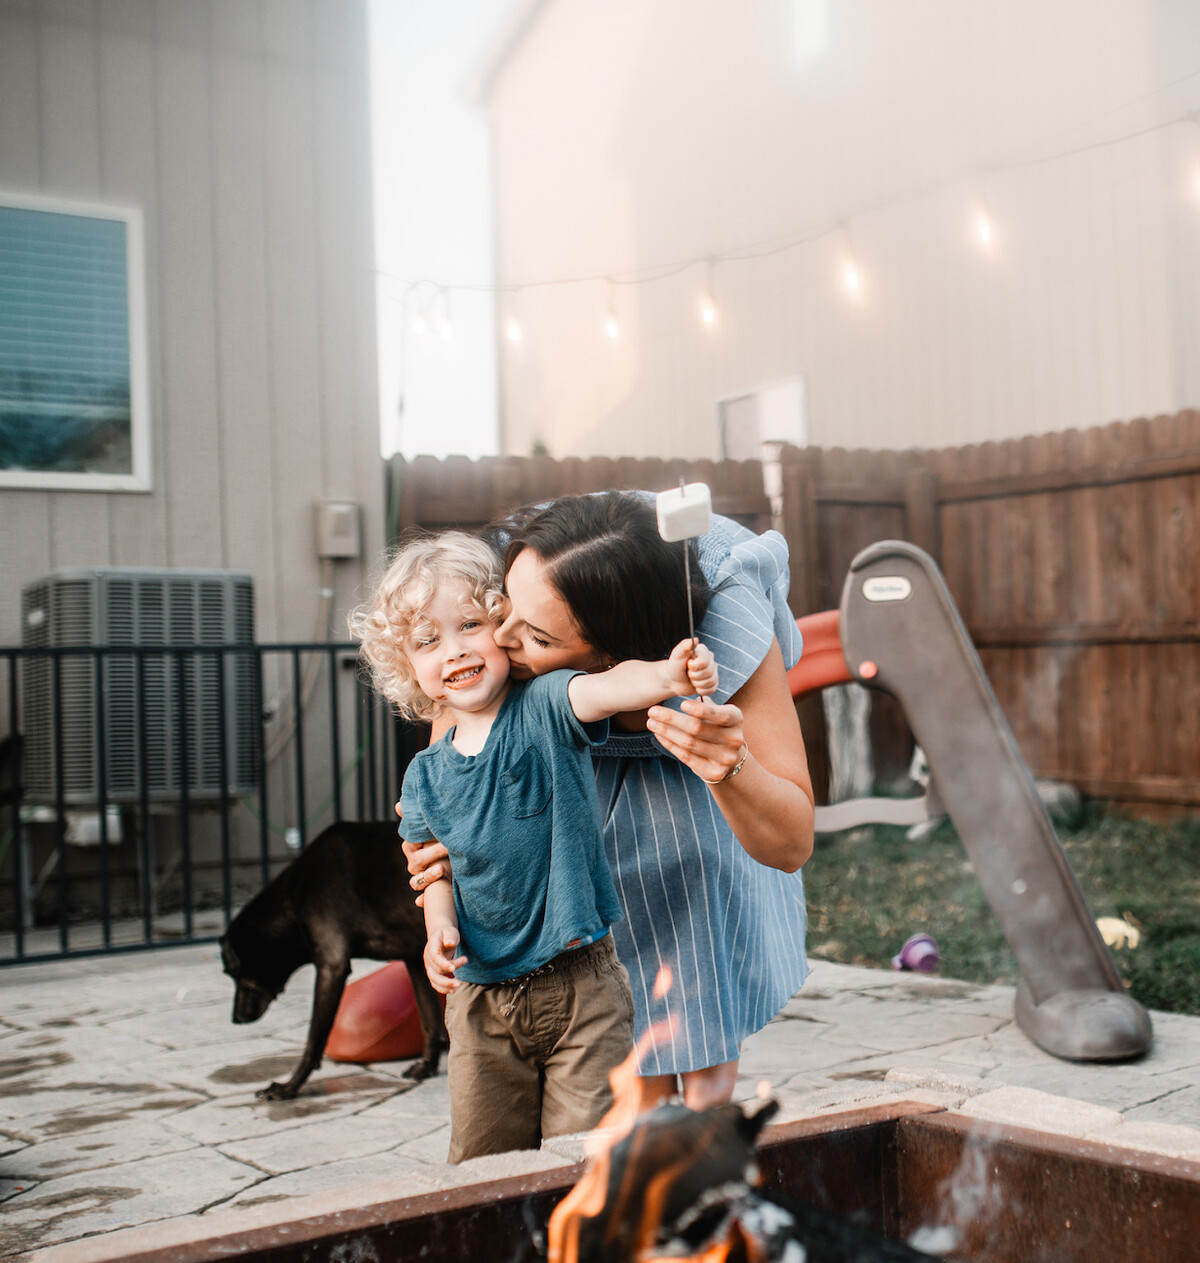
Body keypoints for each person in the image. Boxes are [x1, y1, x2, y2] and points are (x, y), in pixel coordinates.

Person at [405, 491, 815, 1114]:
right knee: (617, 1077)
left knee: (700, 1034)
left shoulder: (723, 620)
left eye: (536, 635)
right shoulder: (506, 585)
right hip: (564, 816)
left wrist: (731, 768)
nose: (499, 637)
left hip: (692, 822)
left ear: (609, 658)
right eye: (505, 610)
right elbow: (454, 763)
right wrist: (447, 854)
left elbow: (789, 842)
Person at [351, 530, 718, 1161]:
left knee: (583, 1163)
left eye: (470, 624)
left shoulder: (544, 707)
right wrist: (438, 928)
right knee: (483, 1169)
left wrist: (667, 673)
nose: (456, 649)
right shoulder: (425, 775)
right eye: (427, 640)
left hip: (584, 989)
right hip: (480, 1002)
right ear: (406, 667)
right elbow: (432, 868)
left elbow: (606, 687)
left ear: (502, 623)